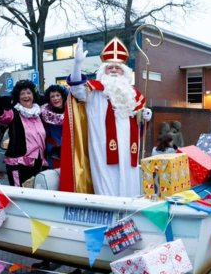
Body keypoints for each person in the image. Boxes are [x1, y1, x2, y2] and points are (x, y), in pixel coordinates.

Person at [61, 37, 152, 197]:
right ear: (103, 71)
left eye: (118, 68)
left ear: (125, 72)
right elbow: (75, 88)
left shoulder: (132, 94)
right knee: (107, 184)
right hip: (102, 148)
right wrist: (77, 64)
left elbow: (138, 119)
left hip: (128, 149)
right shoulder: (94, 91)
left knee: (130, 183)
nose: (114, 70)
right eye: (110, 68)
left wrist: (144, 116)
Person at [0, 80, 47, 187]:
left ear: (33, 95)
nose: (26, 96)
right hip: (19, 164)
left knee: (35, 194)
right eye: (23, 94)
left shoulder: (39, 114)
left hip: (38, 163)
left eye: (29, 93)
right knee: (20, 195)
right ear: (18, 97)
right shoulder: (14, 114)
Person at [40, 85, 67, 169]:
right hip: (54, 153)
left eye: (58, 95)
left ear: (62, 97)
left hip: (71, 151)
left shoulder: (72, 111)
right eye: (52, 96)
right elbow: (45, 135)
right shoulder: (45, 114)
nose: (55, 98)